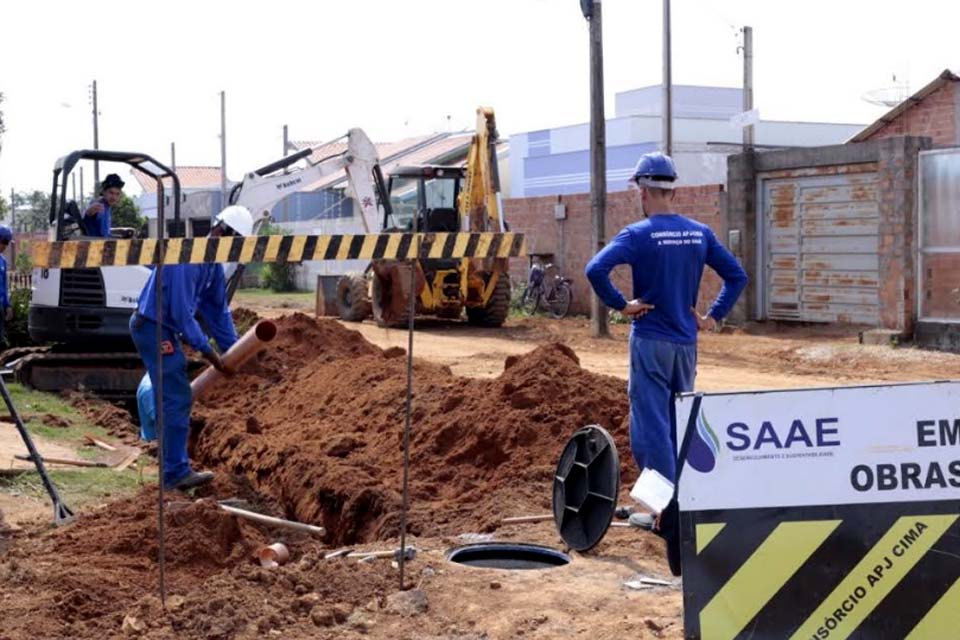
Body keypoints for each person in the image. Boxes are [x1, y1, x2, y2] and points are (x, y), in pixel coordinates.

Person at [585, 152, 748, 525]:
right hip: (686, 344)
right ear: (671, 190)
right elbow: (737, 276)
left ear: (643, 191)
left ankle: (664, 512)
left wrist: (621, 305)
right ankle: (685, 502)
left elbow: (595, 269)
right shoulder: (699, 232)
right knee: (680, 421)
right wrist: (712, 317)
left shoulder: (637, 234)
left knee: (651, 425)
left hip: (650, 341)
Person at [129, 205, 254, 490]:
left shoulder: (212, 267)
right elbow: (182, 314)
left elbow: (218, 313)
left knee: (176, 393)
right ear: (221, 231)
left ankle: (174, 465)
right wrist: (210, 354)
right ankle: (175, 473)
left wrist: (235, 350)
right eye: (233, 243)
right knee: (176, 394)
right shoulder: (189, 258)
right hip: (152, 327)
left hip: (164, 328)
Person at [82, 173, 125, 237]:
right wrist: (89, 213)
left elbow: (105, 233)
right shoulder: (98, 206)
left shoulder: (107, 207)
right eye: (111, 193)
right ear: (104, 191)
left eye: (117, 194)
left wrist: (121, 232)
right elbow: (89, 214)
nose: (114, 197)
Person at [0, 226, 13, 345]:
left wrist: (8, 306)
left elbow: (4, 285)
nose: (5, 246)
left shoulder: (2, 261)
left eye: (7, 243)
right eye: (3, 241)